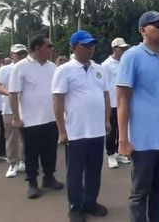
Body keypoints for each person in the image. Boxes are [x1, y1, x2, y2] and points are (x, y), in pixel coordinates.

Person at [116, 11, 159, 222]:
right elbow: (122, 99)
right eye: (157, 25)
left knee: (158, 191)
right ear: (142, 30)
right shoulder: (132, 56)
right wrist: (122, 139)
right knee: (140, 193)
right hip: (142, 141)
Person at [53, 30, 110, 222]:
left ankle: (90, 202)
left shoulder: (99, 69)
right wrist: (61, 130)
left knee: (94, 170)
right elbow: (58, 101)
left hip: (97, 130)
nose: (90, 48)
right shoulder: (64, 70)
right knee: (75, 172)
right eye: (85, 45)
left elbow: (105, 96)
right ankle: (75, 206)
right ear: (74, 47)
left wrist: (107, 120)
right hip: (75, 131)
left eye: (92, 45)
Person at [9, 34, 63, 199]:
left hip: (51, 118)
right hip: (30, 121)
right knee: (31, 153)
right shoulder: (21, 67)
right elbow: (13, 93)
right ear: (37, 48)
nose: (52, 49)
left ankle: (48, 177)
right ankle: (32, 182)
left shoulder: (52, 67)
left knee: (50, 151)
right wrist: (16, 117)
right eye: (49, 46)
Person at [0, 44, 27, 178]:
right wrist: (10, 93)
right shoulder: (5, 69)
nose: (20, 56)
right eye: (17, 53)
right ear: (11, 54)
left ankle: (24, 160)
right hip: (9, 108)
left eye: (23, 53)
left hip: (27, 108)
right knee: (11, 137)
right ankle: (13, 163)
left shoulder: (30, 67)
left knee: (26, 138)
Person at [101, 38, 132, 168]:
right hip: (112, 104)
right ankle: (111, 154)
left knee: (122, 130)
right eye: (121, 48)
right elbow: (104, 87)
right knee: (111, 131)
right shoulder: (106, 65)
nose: (124, 51)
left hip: (124, 103)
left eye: (125, 48)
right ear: (114, 49)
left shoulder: (125, 62)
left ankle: (120, 152)